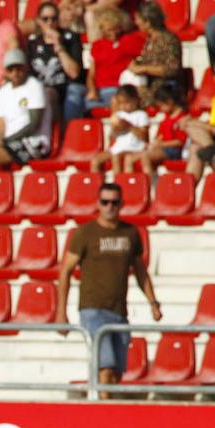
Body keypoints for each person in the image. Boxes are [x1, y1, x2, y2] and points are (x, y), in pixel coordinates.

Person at [55, 183, 162, 394]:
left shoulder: (130, 233)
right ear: (98, 204)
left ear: (122, 204)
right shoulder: (85, 233)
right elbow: (65, 271)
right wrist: (61, 312)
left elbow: (140, 270)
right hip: (93, 308)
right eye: (105, 202)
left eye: (114, 202)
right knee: (105, 367)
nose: (110, 207)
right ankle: (105, 415)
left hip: (119, 311)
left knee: (117, 373)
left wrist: (153, 302)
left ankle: (103, 409)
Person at [0, 49, 53, 174]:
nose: (15, 73)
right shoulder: (3, 92)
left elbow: (34, 123)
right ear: (5, 71)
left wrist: (6, 141)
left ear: (25, 68)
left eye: (19, 69)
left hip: (33, 143)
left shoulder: (34, 86)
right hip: (9, 143)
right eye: (10, 69)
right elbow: (1, 126)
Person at [26, 1, 86, 127]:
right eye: (45, 19)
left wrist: (59, 46)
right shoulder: (32, 43)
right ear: (38, 20)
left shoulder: (70, 38)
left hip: (66, 89)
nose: (49, 23)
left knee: (74, 92)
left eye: (53, 18)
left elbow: (74, 73)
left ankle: (66, 134)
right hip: (43, 92)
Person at [86, 7, 143, 112]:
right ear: (102, 30)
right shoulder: (97, 46)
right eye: (109, 30)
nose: (114, 33)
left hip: (120, 89)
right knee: (87, 105)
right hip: (100, 90)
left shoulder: (128, 41)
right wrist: (92, 90)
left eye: (116, 29)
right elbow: (91, 75)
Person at [124, 2, 181, 100]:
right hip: (148, 86)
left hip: (163, 90)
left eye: (138, 19)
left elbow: (172, 68)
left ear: (148, 22)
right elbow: (151, 60)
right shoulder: (150, 39)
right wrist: (136, 64)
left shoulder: (168, 40)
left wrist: (144, 69)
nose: (136, 22)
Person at [91, 84, 149, 173]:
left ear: (135, 101)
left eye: (126, 103)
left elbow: (143, 136)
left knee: (116, 158)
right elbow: (112, 136)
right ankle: (96, 185)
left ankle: (119, 183)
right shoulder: (119, 115)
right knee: (95, 160)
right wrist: (116, 129)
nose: (123, 106)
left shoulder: (141, 115)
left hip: (133, 147)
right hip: (117, 147)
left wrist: (129, 126)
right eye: (120, 103)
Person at [132, 86, 187, 173]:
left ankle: (147, 183)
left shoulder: (182, 119)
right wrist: (154, 144)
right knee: (130, 158)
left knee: (145, 156)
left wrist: (161, 144)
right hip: (163, 148)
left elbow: (180, 142)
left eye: (161, 106)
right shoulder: (166, 119)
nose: (160, 109)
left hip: (174, 151)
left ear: (169, 102)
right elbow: (160, 136)